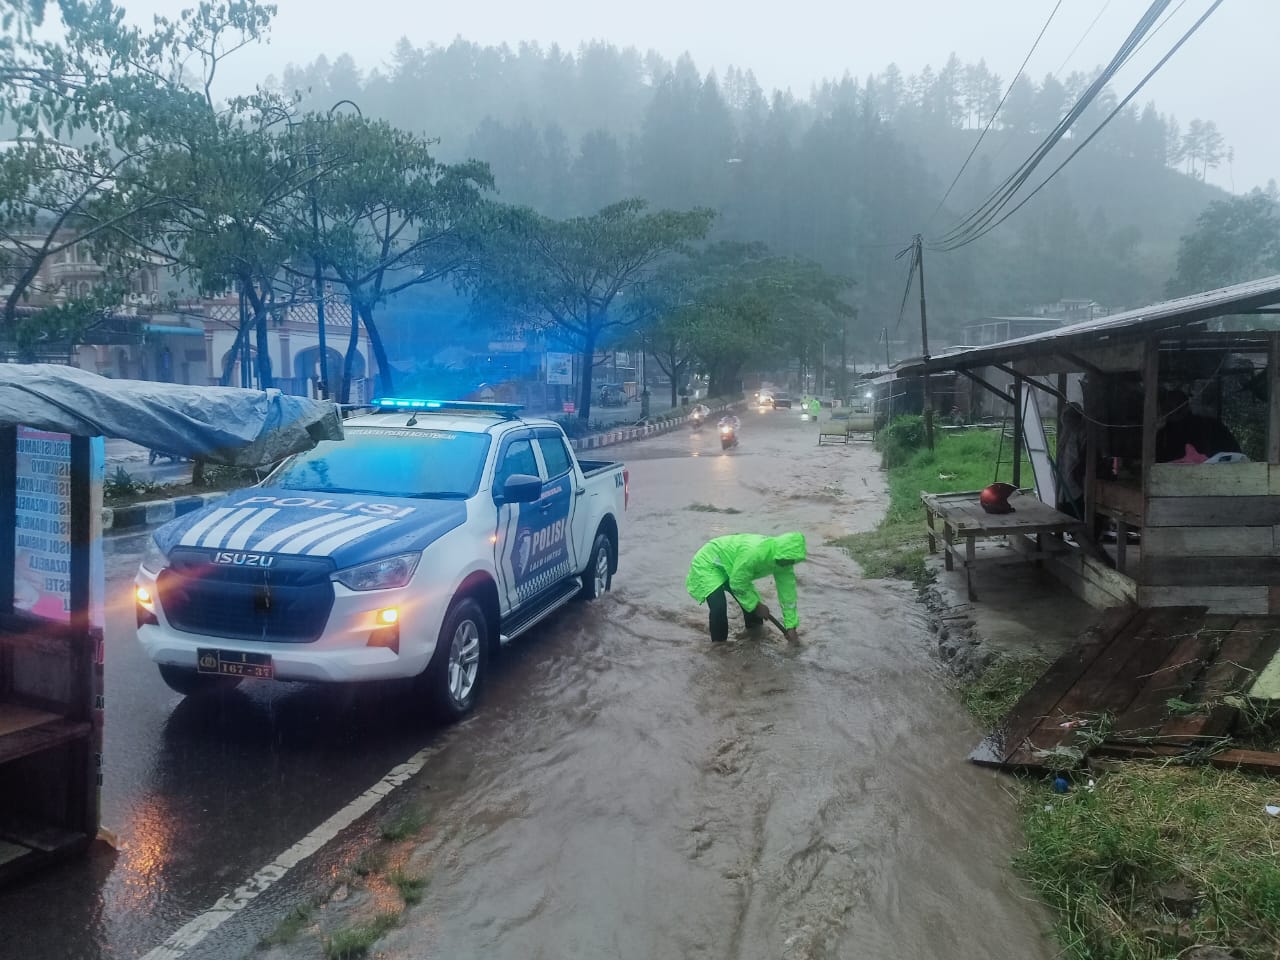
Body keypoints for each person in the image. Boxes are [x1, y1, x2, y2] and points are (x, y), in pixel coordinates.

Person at [686, 532, 807, 643]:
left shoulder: (785, 563)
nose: (786, 563)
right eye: (785, 559)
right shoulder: (756, 552)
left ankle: (753, 640)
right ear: (780, 552)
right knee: (719, 607)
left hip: (734, 567)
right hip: (710, 562)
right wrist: (756, 604)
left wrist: (791, 626)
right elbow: (737, 583)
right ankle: (719, 648)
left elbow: (788, 596)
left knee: (754, 613)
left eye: (791, 561)